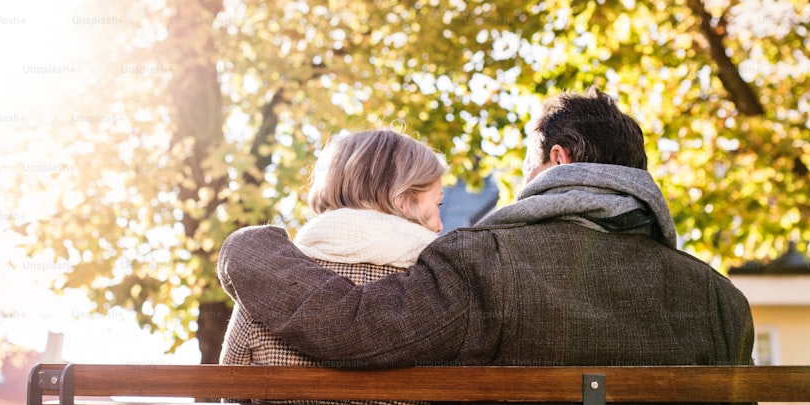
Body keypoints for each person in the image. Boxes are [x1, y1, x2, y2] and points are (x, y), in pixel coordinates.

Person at [217, 88, 755, 370]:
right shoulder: (721, 301)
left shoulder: (485, 261)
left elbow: (352, 327)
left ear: (557, 159)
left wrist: (252, 247)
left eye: (526, 165)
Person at [219, 127, 446, 405]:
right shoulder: (439, 290)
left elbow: (232, 404)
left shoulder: (266, 282)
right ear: (404, 200)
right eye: (438, 204)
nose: (440, 224)